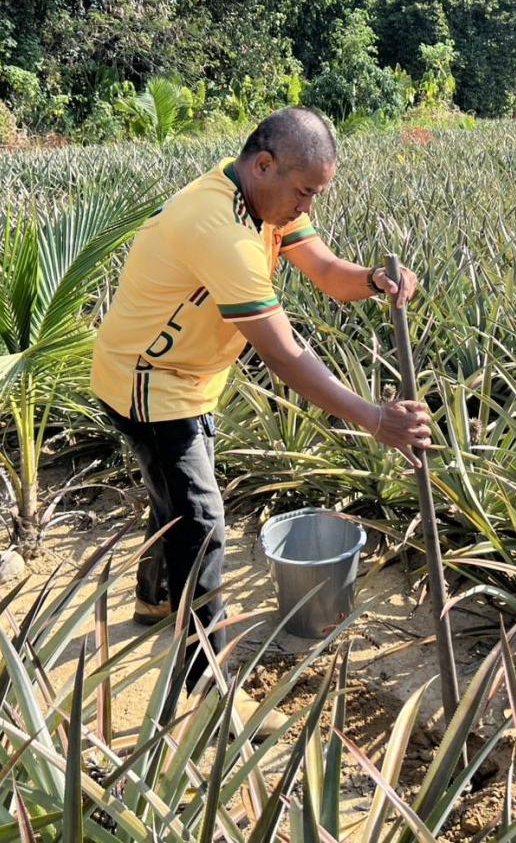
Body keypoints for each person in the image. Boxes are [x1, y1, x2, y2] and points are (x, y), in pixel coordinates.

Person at [90, 107, 431, 729]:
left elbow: (330, 275)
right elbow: (284, 354)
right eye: (304, 191)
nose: (306, 207)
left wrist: (375, 280)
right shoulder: (217, 227)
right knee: (201, 523)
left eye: (316, 195)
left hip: (191, 378)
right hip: (148, 384)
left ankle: (152, 600)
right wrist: (375, 419)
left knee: (172, 498)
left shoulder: (269, 201)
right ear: (264, 164)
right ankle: (209, 690)